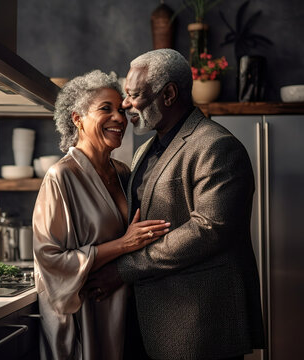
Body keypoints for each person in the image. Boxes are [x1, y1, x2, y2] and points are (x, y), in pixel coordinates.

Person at [84, 49, 265, 360]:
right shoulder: (144, 151)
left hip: (200, 325)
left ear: (168, 94)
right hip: (151, 321)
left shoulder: (217, 145)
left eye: (134, 95)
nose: (126, 105)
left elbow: (208, 230)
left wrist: (123, 269)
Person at [32, 69, 171, 360]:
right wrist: (123, 245)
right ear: (77, 119)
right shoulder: (61, 177)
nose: (119, 118)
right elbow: (50, 261)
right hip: (88, 315)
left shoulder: (123, 173)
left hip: (130, 313)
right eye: (105, 109)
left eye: (120, 110)